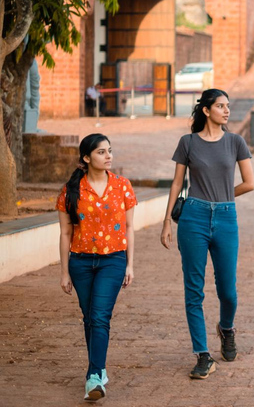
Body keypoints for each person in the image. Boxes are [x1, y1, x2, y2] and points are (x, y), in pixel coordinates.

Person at [160, 88, 254, 379]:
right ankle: (202, 355)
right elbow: (177, 184)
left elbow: (249, 182)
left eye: (228, 106)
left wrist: (225, 196)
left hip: (226, 217)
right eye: (221, 106)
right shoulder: (187, 143)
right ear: (206, 110)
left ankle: (226, 328)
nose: (226, 111)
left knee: (228, 290)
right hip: (193, 217)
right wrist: (166, 221)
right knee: (194, 289)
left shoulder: (235, 142)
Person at [57, 133, 136, 401]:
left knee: (100, 316)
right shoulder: (70, 191)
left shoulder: (122, 186)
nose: (108, 156)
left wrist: (130, 265)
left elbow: (129, 228)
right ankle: (98, 371)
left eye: (110, 151)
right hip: (80, 262)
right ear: (86, 158)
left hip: (113, 260)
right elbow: (65, 233)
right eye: (101, 152)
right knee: (90, 318)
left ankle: (93, 377)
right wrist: (65, 271)